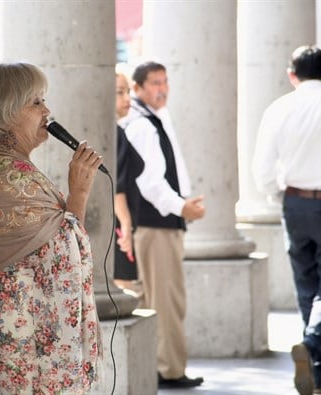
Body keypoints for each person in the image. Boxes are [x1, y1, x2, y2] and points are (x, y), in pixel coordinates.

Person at [0, 62, 103, 395]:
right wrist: (80, 193)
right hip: (24, 337)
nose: (47, 110)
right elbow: (64, 252)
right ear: (6, 113)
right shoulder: (7, 175)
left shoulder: (7, 166)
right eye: (36, 103)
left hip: (28, 330)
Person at [252, 45, 321, 395]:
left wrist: (280, 196)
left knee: (307, 286)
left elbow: (262, 168)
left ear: (292, 75)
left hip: (294, 204)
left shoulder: (279, 108)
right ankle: (311, 346)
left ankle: (320, 374)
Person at [117, 61, 205, 388]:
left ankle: (162, 366)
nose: (162, 88)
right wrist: (182, 207)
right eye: (155, 82)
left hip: (161, 223)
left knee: (158, 297)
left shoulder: (153, 118)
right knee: (165, 300)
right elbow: (150, 183)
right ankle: (168, 368)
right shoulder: (142, 124)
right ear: (138, 88)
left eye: (165, 81)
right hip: (157, 225)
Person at [113, 72, 139, 292]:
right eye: (119, 92)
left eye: (128, 92)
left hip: (115, 224)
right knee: (124, 289)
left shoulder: (117, 132)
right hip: (116, 226)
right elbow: (116, 186)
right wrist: (126, 225)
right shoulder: (115, 134)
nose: (127, 99)